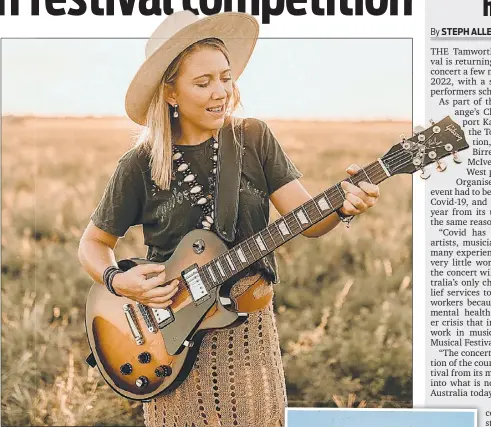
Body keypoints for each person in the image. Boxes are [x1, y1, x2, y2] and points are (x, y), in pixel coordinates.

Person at [78, 10, 381, 427]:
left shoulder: (253, 137)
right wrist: (118, 280)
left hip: (249, 336)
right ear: (170, 93)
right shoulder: (140, 165)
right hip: (167, 340)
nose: (220, 91)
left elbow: (308, 220)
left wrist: (343, 206)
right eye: (203, 83)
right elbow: (93, 244)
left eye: (225, 77)